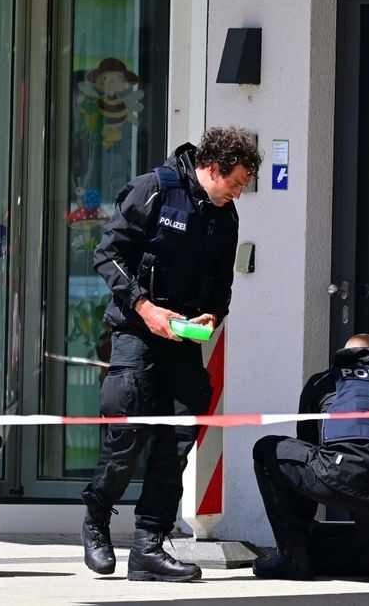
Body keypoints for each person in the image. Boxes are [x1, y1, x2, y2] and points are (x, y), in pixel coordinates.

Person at [80, 126, 261, 582]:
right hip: (137, 333)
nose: (240, 192)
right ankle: (97, 518)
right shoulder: (157, 188)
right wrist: (144, 306)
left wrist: (211, 319)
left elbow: (222, 284)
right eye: (237, 182)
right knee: (127, 436)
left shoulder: (226, 214)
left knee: (179, 438)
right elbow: (107, 253)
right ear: (213, 169)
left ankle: (148, 547)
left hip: (182, 341)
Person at [251, 333, 369, 586]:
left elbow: (308, 442)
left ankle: (294, 557)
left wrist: (308, 513)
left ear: (345, 354)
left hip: (345, 470)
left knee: (268, 450)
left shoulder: (328, 380)